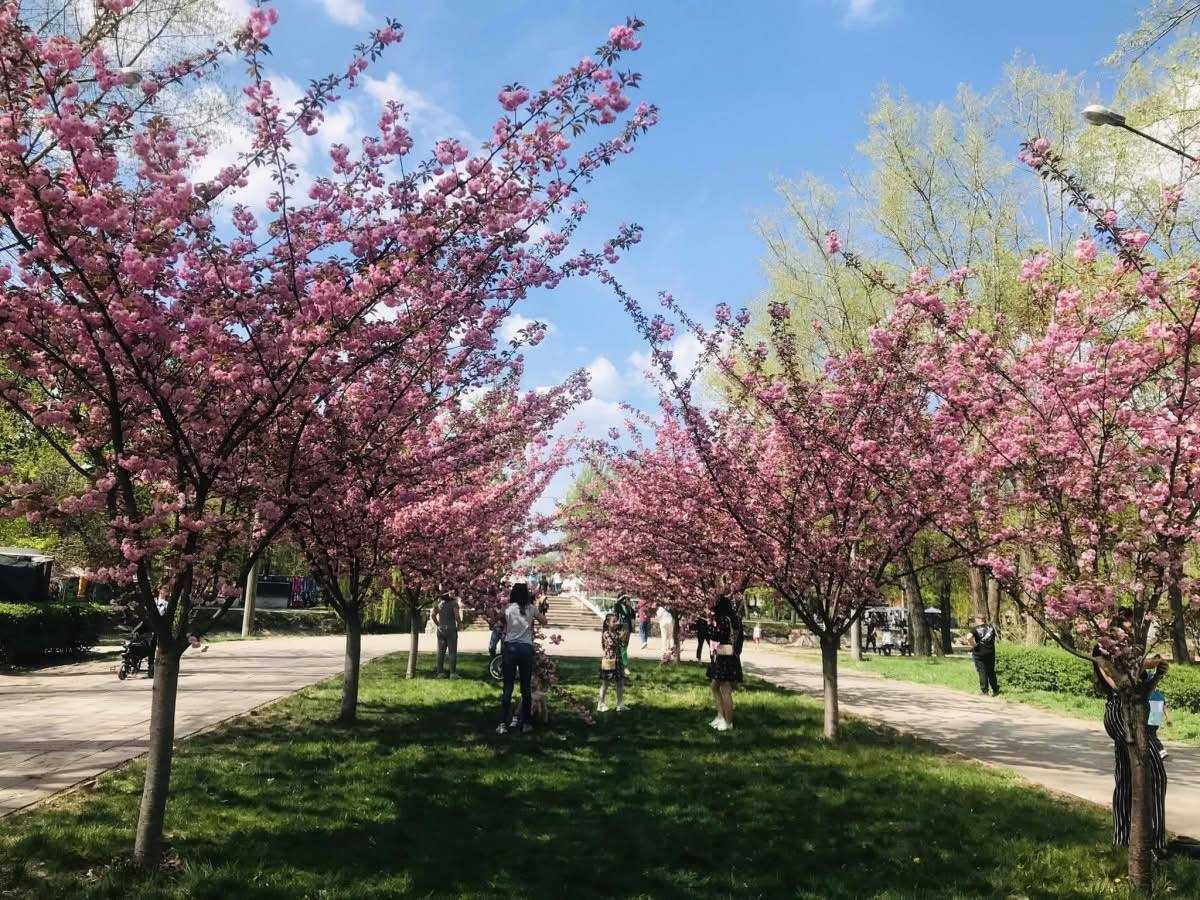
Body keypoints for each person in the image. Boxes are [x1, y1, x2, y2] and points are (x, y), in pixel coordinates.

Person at [1093, 632, 1169, 858]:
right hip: (1120, 712)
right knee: (1151, 773)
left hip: (1135, 709)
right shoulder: (1103, 652)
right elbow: (1118, 683)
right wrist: (1149, 663)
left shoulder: (1130, 653)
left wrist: (1157, 675)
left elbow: (1143, 689)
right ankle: (1147, 841)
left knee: (1129, 776)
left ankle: (1136, 839)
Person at [497, 583, 545, 735]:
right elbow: (545, 621)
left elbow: (499, 621)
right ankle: (526, 723)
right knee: (525, 688)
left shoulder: (508, 608)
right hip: (526, 648)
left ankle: (503, 723)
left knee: (508, 686)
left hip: (510, 648)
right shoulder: (531, 608)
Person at [706, 594, 743, 731]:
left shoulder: (724, 620)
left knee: (725, 690)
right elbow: (740, 639)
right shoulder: (736, 620)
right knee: (714, 686)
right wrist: (737, 652)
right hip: (732, 656)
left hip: (723, 657)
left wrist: (710, 628)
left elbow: (717, 636)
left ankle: (728, 722)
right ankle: (721, 716)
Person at [597, 613, 627, 712]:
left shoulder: (617, 633)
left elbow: (622, 645)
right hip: (609, 662)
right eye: (614, 621)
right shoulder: (606, 633)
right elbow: (612, 644)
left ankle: (620, 704)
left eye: (617, 621)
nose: (617, 623)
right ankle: (600, 704)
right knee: (605, 683)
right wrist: (621, 637)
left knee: (620, 683)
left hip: (618, 661)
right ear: (607, 623)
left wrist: (623, 636)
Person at [432, 593, 461, 678]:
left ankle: (440, 673)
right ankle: (452, 673)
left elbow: (433, 615)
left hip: (441, 630)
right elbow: (456, 616)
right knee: (452, 652)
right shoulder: (454, 603)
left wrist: (438, 624)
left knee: (441, 652)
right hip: (451, 630)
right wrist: (459, 624)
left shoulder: (439, 603)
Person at [970, 615, 999, 695]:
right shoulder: (991, 628)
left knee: (982, 672)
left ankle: (985, 691)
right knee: (991, 672)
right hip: (990, 653)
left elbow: (968, 637)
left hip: (979, 653)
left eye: (975, 619)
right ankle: (995, 690)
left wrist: (973, 645)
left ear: (978, 619)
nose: (975, 621)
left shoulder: (975, 629)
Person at [614, 594, 635, 673]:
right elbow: (616, 603)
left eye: (629, 599)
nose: (628, 601)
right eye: (627, 599)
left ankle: (623, 665)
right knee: (620, 647)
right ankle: (621, 665)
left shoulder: (631, 609)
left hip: (627, 630)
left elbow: (633, 620)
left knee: (624, 648)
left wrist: (632, 629)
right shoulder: (618, 607)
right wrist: (623, 597)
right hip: (621, 629)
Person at [1148, 684, 1168, 760]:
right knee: (1152, 734)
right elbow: (1164, 707)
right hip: (1157, 719)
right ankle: (1154, 752)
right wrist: (1168, 718)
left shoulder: (1147, 694)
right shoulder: (1160, 695)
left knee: (1150, 735)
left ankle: (1161, 750)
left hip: (1150, 718)